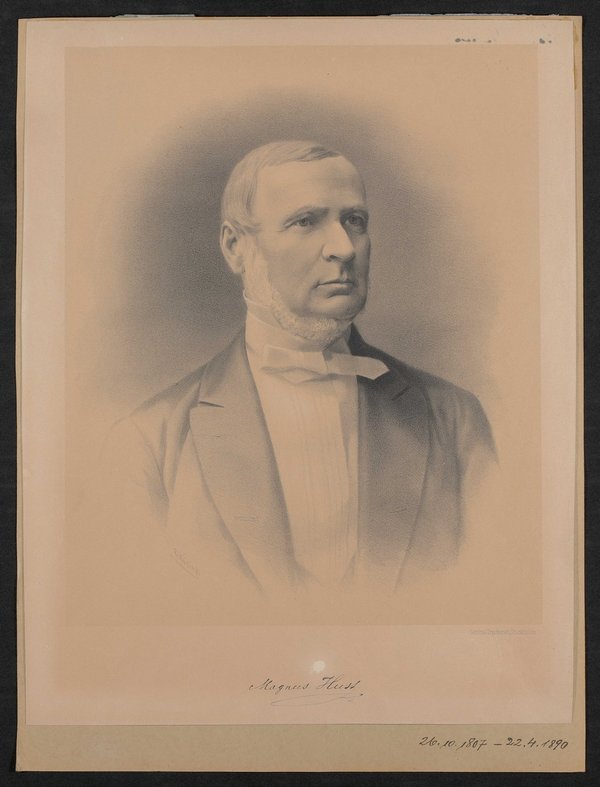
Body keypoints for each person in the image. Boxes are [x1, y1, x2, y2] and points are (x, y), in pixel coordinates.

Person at [79, 140, 496, 617]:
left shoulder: (454, 421)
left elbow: (489, 595)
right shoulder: (148, 443)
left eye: (354, 221)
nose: (343, 248)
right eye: (306, 221)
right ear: (236, 247)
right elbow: (132, 622)